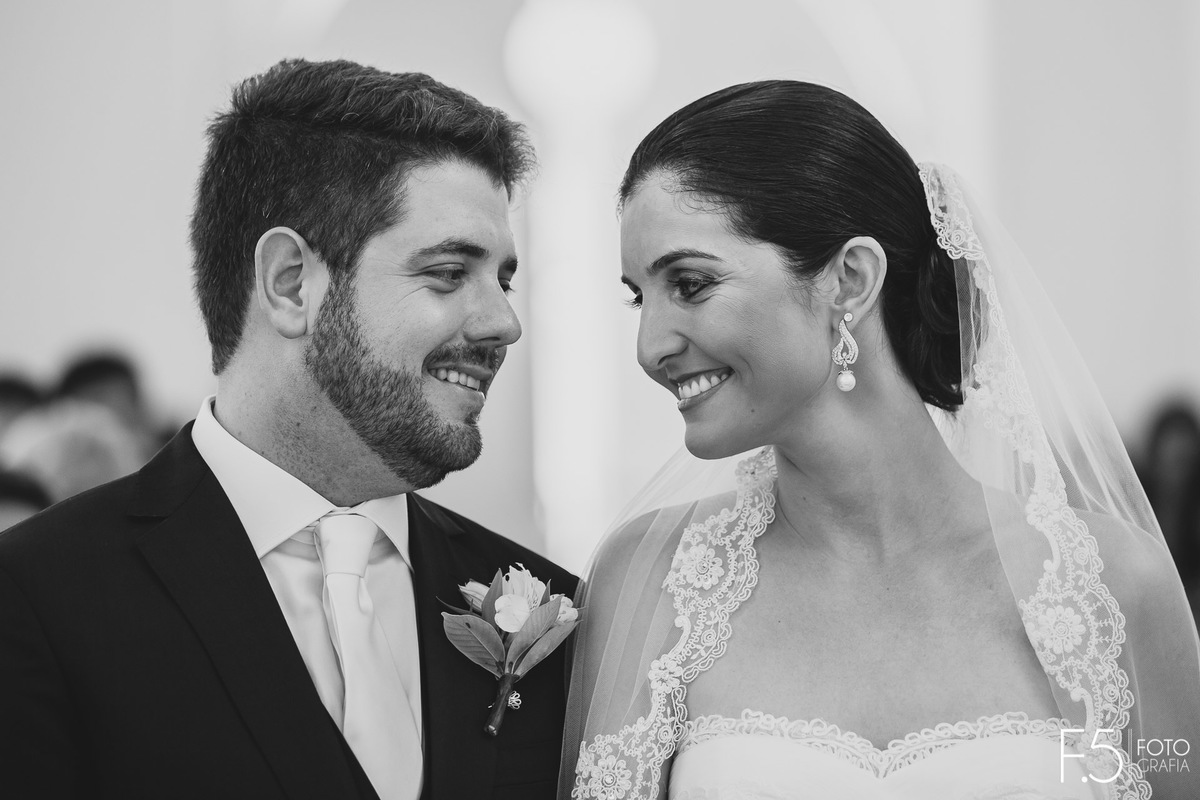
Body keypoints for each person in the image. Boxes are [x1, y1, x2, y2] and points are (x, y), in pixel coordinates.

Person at [562, 81, 1200, 799]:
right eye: (638, 296)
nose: (650, 347)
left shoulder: (1115, 592)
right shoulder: (649, 584)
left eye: (690, 283)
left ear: (851, 279)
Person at [0, 59, 575, 800]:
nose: (504, 322)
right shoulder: (39, 598)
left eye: (503, 278)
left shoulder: (547, 612)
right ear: (289, 283)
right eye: (447, 273)